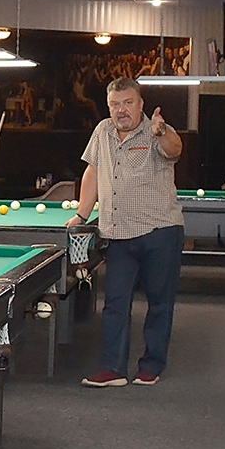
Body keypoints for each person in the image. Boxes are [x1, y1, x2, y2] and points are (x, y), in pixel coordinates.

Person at [71, 78, 185, 388]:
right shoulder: (102, 131)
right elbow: (93, 170)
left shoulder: (156, 130)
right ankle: (113, 368)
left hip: (160, 232)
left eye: (128, 103)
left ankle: (151, 365)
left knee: (159, 303)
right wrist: (82, 214)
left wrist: (162, 132)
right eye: (115, 104)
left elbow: (174, 149)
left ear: (140, 104)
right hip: (119, 235)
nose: (121, 110)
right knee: (115, 304)